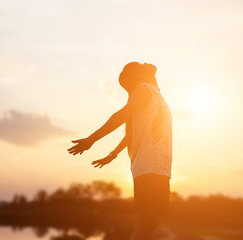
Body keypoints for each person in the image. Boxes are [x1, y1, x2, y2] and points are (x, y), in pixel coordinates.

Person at [67, 62, 172, 240]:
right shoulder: (153, 93)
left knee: (148, 226)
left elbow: (122, 118)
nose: (129, 92)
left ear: (133, 79)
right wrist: (110, 152)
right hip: (155, 167)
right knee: (149, 225)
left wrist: (92, 141)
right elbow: (130, 129)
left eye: (127, 87)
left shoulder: (146, 89)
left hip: (152, 167)